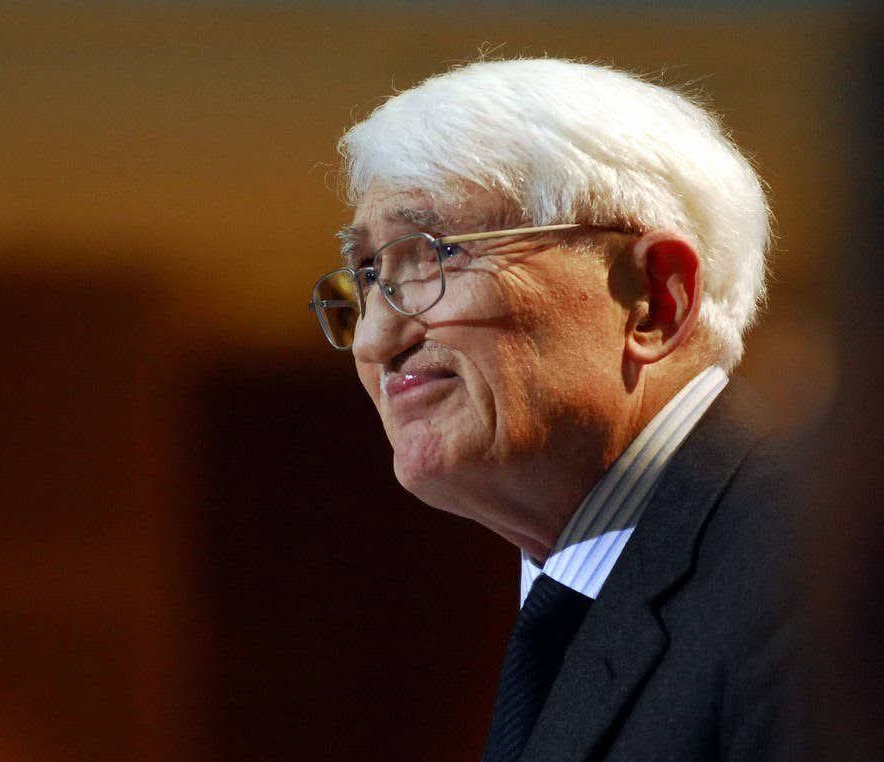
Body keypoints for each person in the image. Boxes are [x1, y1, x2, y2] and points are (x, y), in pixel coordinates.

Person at [308, 58, 804, 761]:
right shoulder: (573, 603)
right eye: (369, 275)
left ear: (653, 301)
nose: (374, 338)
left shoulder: (814, 575)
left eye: (438, 256)